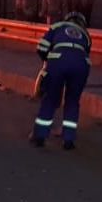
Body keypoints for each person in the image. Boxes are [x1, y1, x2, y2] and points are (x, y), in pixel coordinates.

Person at [30, 11, 91, 150]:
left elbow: (41, 47)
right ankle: (68, 140)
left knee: (50, 99)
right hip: (81, 66)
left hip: (58, 62)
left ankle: (40, 136)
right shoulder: (85, 34)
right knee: (73, 101)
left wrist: (47, 61)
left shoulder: (57, 26)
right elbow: (85, 52)